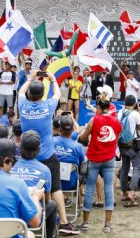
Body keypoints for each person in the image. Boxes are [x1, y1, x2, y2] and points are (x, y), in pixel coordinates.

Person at [18, 70, 79, 235]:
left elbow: (21, 91)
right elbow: (58, 93)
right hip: (46, 155)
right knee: (56, 188)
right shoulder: (47, 106)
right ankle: (64, 222)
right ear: (43, 94)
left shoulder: (22, 104)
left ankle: (23, 218)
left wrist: (30, 79)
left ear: (30, 93)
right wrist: (52, 79)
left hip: (26, 155)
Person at [78, 96, 122, 233]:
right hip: (109, 158)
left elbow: (83, 138)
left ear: (98, 108)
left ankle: (85, 222)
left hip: (94, 158)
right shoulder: (116, 121)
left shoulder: (94, 120)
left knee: (90, 188)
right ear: (109, 108)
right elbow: (117, 137)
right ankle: (108, 224)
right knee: (108, 189)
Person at [10, 130, 58, 238]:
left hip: (13, 215)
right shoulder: (44, 170)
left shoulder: (11, 168)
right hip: (32, 216)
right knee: (52, 205)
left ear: (20, 148)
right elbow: (47, 198)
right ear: (39, 150)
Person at [118, 95, 140, 206]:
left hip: (122, 145)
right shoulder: (135, 113)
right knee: (137, 168)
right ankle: (132, 192)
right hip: (132, 145)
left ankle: (124, 192)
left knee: (124, 168)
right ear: (134, 103)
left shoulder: (120, 112)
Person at [53, 115, 85, 192]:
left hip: (53, 182)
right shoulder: (78, 147)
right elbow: (83, 167)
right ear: (72, 129)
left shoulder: (51, 142)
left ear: (60, 129)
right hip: (71, 183)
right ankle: (80, 201)